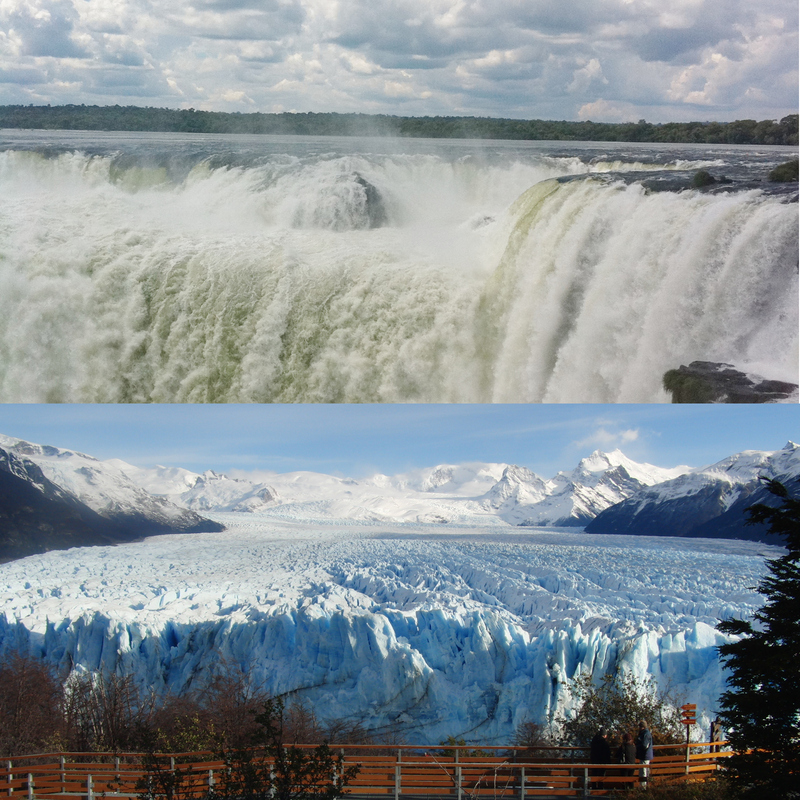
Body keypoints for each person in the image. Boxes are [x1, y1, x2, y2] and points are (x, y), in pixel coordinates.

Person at [635, 720, 653, 785]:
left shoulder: (645, 734)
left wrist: (637, 747)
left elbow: (644, 745)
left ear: (642, 727)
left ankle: (643, 787)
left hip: (644, 756)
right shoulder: (645, 733)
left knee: (643, 772)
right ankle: (645, 786)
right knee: (645, 771)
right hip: (646, 755)